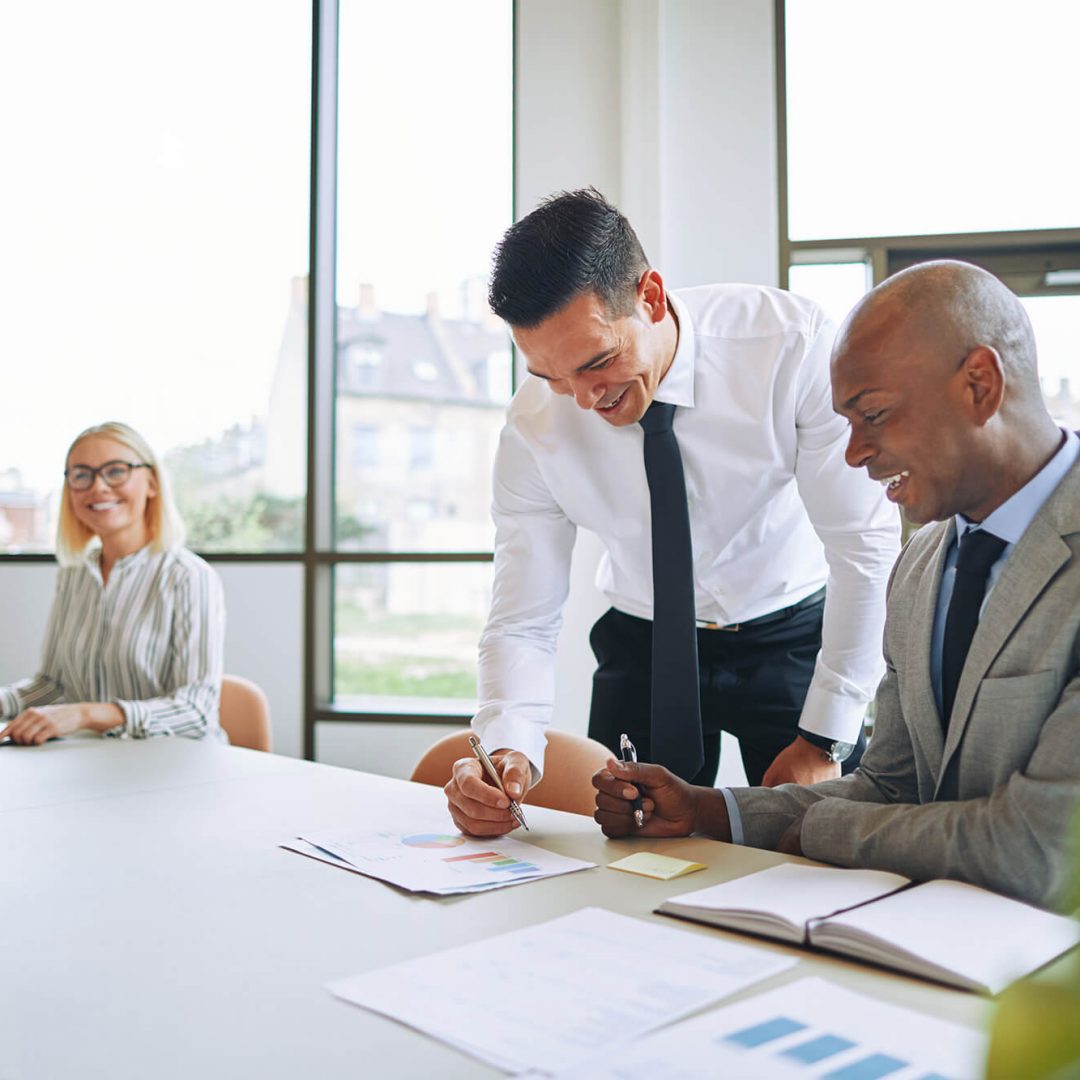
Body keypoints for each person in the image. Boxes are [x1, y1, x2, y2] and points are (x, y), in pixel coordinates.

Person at [594, 259, 1080, 910]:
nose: (853, 454)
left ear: (979, 385)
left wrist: (819, 830)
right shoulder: (922, 562)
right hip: (928, 943)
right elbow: (890, 786)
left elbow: (1044, 845)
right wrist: (707, 810)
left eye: (873, 415)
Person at [445, 189, 899, 837]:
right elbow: (523, 615)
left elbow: (865, 548)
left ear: (650, 298)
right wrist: (507, 748)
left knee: (816, 844)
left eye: (598, 361)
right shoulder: (534, 426)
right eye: (551, 376)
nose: (583, 398)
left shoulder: (788, 348)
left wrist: (826, 738)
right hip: (645, 644)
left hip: (791, 636)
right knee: (634, 850)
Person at [0, 421, 226, 744]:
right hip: (95, 765)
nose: (99, 487)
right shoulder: (74, 575)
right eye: (82, 475)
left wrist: (85, 714)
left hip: (175, 769)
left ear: (151, 483)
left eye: (116, 471)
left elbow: (196, 711)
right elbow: (53, 685)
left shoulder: (187, 577)